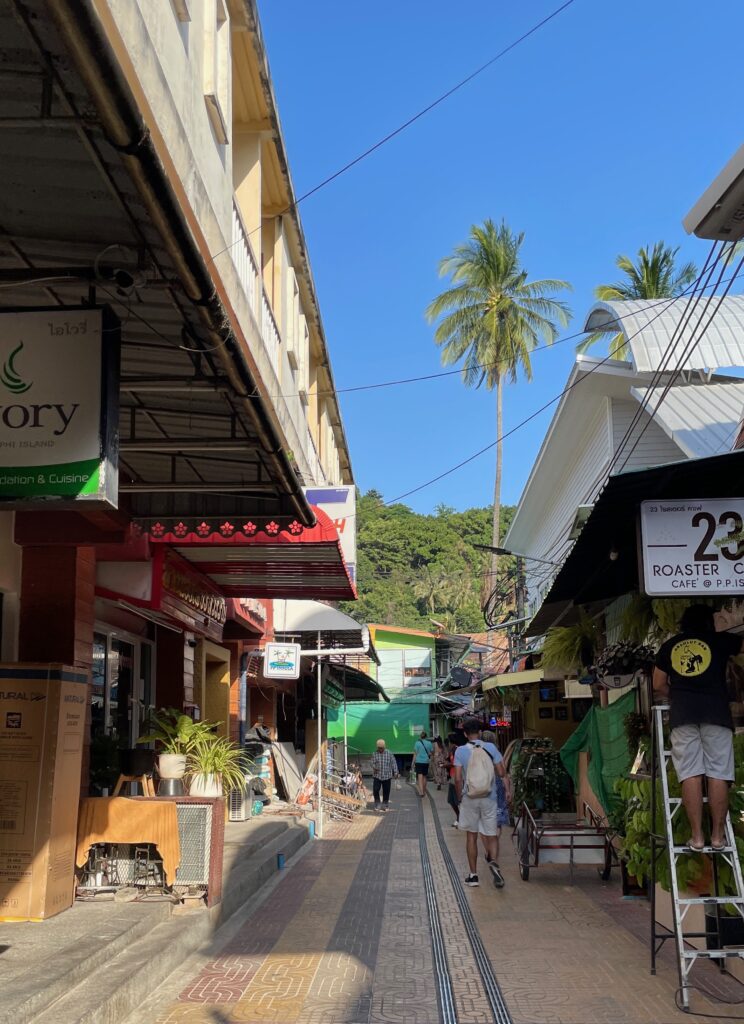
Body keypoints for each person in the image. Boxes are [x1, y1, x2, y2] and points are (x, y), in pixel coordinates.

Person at [653, 604, 743, 851]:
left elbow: (658, 683)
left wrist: (677, 696)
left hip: (683, 715)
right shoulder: (720, 641)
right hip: (717, 713)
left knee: (690, 773)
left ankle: (697, 837)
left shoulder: (671, 646)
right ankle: (718, 837)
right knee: (718, 773)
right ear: (709, 621)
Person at [454, 718, 511, 888]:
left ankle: (473, 876)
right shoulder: (491, 747)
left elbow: (458, 778)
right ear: (479, 732)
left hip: (470, 798)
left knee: (471, 836)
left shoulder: (460, 751)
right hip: (489, 797)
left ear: (465, 734)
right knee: (491, 834)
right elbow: (501, 772)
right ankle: (494, 863)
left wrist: (459, 797)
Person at [479, 730, 510, 865]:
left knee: (483, 823)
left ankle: (488, 851)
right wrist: (507, 790)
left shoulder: (476, 753)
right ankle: (493, 847)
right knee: (497, 822)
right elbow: (504, 775)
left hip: (481, 789)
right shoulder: (497, 753)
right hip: (497, 789)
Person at [371, 738, 399, 812]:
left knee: (386, 791)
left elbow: (393, 763)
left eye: (382, 748)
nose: (380, 749)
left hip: (387, 776)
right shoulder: (374, 754)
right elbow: (372, 763)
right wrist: (374, 767)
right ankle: (377, 804)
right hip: (377, 775)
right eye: (379, 748)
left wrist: (396, 772)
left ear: (384, 747)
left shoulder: (389, 753)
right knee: (375, 790)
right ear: (377, 747)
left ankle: (385, 805)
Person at [446, 733, 462, 827]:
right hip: (452, 777)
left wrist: (446, 765)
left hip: (456, 777)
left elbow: (456, 763)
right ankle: (459, 817)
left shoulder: (457, 750)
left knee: (457, 800)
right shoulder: (452, 750)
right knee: (451, 800)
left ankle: (460, 818)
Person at [413, 731, 434, 798]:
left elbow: (415, 754)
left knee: (420, 777)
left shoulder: (417, 743)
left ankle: (421, 792)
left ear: (420, 736)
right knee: (424, 777)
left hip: (418, 762)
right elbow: (431, 752)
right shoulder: (429, 743)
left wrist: (413, 763)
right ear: (426, 736)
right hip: (426, 762)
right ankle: (424, 791)